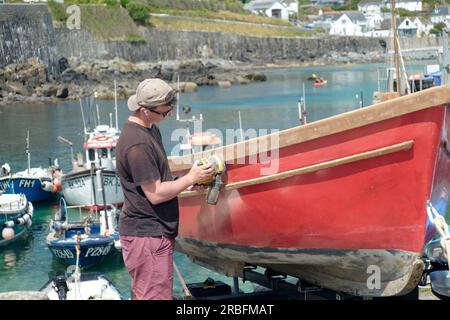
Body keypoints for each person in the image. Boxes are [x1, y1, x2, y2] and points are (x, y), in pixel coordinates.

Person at [116, 78, 213, 300]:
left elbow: (157, 180)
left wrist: (188, 180)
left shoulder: (150, 130)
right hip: (147, 234)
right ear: (144, 110)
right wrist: (190, 177)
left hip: (151, 234)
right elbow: (155, 194)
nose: (169, 114)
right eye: (165, 111)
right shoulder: (137, 144)